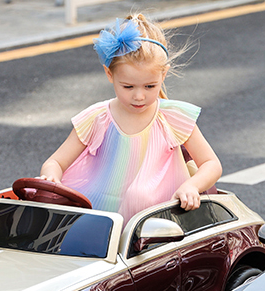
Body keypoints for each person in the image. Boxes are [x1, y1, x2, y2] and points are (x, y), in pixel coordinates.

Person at [39, 14, 222, 223]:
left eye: (150, 86)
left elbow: (211, 163)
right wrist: (51, 176)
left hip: (156, 224)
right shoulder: (97, 118)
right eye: (128, 86)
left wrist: (192, 185)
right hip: (100, 220)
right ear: (109, 74)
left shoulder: (172, 117)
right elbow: (55, 161)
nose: (139, 96)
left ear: (164, 75)